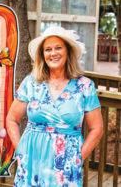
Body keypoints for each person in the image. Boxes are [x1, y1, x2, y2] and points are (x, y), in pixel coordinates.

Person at [6, 26, 103, 187]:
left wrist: (78, 158)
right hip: (31, 160)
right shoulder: (31, 83)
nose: (53, 53)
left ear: (68, 51)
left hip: (65, 164)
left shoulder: (84, 86)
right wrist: (21, 149)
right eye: (48, 49)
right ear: (42, 55)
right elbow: (11, 119)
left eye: (58, 48)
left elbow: (97, 129)